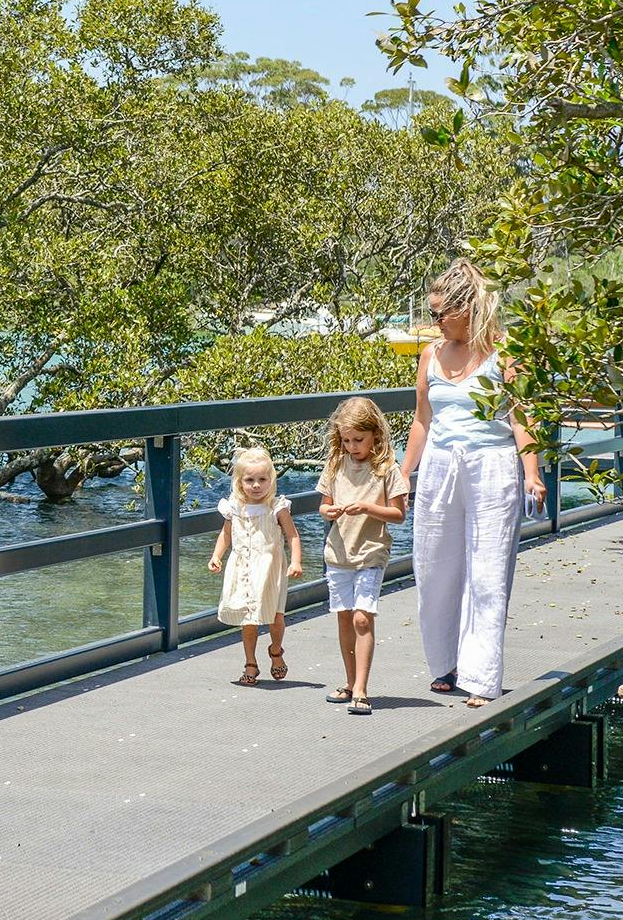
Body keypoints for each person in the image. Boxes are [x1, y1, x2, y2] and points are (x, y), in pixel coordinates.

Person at [401, 260, 546, 708]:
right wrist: (403, 474)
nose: (435, 322)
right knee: (433, 566)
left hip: (491, 464)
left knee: (487, 572)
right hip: (441, 467)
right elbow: (422, 420)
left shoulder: (505, 353)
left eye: (441, 313)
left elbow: (523, 415)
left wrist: (533, 473)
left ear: (468, 309)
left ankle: (482, 677)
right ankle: (444, 664)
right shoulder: (431, 355)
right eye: (433, 313)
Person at [317, 396, 409, 716]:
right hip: (339, 552)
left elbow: (398, 514)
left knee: (361, 617)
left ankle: (361, 688)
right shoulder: (335, 465)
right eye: (346, 440)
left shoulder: (387, 470)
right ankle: (348, 680)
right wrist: (331, 510)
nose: (352, 446)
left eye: (358, 440)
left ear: (375, 436)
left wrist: (369, 507)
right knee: (344, 617)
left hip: (371, 552)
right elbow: (324, 506)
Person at [207, 445, 301, 686]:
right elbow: (225, 535)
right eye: (250, 480)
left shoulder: (277, 507)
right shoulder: (235, 508)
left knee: (275, 616)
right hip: (244, 568)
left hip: (270, 569)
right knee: (247, 617)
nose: (256, 485)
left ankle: (276, 651)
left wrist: (296, 561)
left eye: (262, 479)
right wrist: (217, 555)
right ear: (240, 482)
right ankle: (250, 662)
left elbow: (292, 536)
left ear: (271, 480)